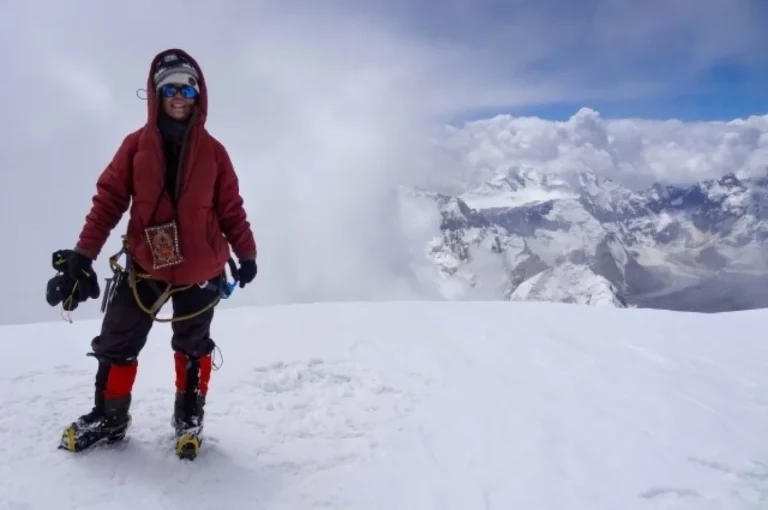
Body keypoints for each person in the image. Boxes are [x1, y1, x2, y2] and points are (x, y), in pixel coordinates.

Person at [48, 48, 258, 455]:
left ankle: (188, 420)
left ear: (199, 96)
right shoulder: (135, 146)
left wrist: (246, 254)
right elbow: (109, 200)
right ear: (157, 94)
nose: (179, 96)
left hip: (201, 271)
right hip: (145, 266)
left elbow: (231, 208)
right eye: (171, 89)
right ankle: (110, 419)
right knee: (116, 341)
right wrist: (82, 254)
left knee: (193, 347)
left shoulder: (215, 153)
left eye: (188, 89)